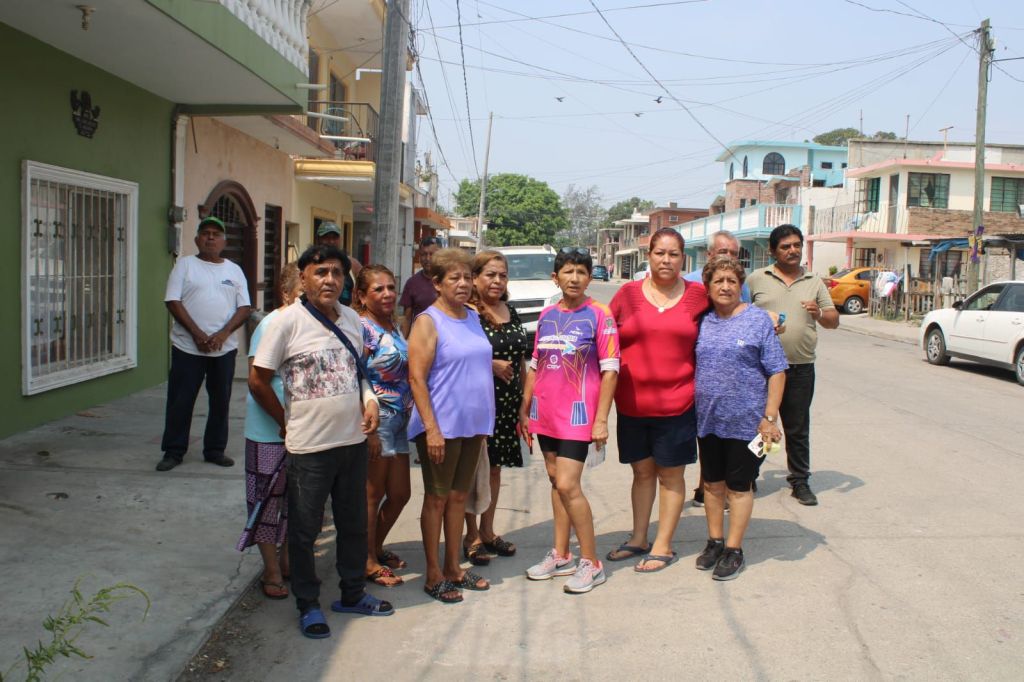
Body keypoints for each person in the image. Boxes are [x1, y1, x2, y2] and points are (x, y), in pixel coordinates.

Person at [249, 245, 392, 640]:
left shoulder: (351, 320)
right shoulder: (285, 323)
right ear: (304, 277)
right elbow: (258, 380)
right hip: (308, 447)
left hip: (351, 442)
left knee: (352, 524)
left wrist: (369, 402)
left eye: (336, 273)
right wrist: (284, 421)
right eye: (320, 272)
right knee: (304, 529)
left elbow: (360, 372)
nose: (329, 279)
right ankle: (308, 604)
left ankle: (352, 593)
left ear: (345, 280)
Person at [608, 228, 709, 572]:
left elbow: (731, 312)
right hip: (632, 404)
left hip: (678, 403)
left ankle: (663, 545)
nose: (666, 260)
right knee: (641, 472)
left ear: (683, 258)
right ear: (648, 255)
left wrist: (767, 317)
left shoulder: (699, 295)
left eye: (673, 254)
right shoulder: (627, 294)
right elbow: (602, 334)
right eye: (660, 253)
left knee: (671, 475)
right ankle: (639, 538)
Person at [521, 248, 619, 594]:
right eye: (567, 272)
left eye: (581, 272)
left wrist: (602, 420)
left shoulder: (600, 315)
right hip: (544, 412)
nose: (574, 278)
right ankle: (561, 553)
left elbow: (610, 372)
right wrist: (525, 407)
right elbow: (534, 363)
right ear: (555, 278)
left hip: (578, 415)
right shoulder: (547, 315)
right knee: (554, 482)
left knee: (568, 485)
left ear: (589, 278)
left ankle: (591, 563)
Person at [407, 248, 495, 604]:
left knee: (460, 497)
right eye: (454, 278)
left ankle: (453, 567)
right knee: (437, 498)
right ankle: (432, 574)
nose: (463, 284)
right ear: (437, 283)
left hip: (473, 424)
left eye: (467, 277)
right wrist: (431, 428)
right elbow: (416, 378)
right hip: (441, 425)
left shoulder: (472, 317)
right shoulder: (428, 321)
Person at [694, 255, 788, 580]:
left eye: (731, 281)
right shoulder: (702, 321)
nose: (725, 287)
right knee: (711, 484)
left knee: (739, 486)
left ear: (741, 287)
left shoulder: (758, 320)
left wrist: (769, 417)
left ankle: (734, 549)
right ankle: (714, 542)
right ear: (707, 287)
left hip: (749, 424)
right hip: (708, 420)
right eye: (718, 281)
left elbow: (777, 371)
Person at [747, 224, 839, 506]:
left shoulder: (814, 281)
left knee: (797, 427)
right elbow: (737, 314)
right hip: (762, 369)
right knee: (761, 423)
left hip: (800, 368)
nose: (793, 250)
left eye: (797, 245)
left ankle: (799, 481)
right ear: (773, 251)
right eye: (786, 246)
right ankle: (748, 477)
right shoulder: (755, 280)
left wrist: (820, 312)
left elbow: (833, 320)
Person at [157, 216, 251, 472]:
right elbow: (173, 301)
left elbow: (244, 307)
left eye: (216, 234)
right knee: (181, 400)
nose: (210, 237)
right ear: (197, 238)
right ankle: (173, 451)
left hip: (224, 349)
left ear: (224, 241)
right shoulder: (185, 266)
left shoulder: (234, 270)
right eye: (206, 232)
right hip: (188, 348)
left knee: (221, 401)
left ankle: (215, 450)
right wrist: (197, 334)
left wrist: (222, 335)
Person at [236, 263, 302, 600]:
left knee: (299, 502)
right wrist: (284, 422)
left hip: (306, 434)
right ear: (286, 293)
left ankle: (288, 561)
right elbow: (257, 382)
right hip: (269, 432)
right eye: (300, 295)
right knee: (267, 502)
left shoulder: (314, 326)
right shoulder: (271, 326)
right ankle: (272, 570)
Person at [462, 251, 531, 566]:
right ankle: (472, 535)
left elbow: (521, 361)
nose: (497, 281)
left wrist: (523, 407)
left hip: (506, 405)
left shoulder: (511, 310)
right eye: (490, 274)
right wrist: (488, 364)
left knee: (494, 469)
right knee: (471, 471)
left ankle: (489, 531)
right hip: (476, 403)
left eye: (502, 275)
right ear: (475, 278)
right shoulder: (466, 312)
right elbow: (454, 354)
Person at [355, 265, 412, 588]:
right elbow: (356, 376)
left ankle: (374, 546)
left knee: (401, 493)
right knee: (372, 494)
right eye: (378, 289)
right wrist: (369, 427)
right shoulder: (363, 329)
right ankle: (366, 560)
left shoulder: (393, 326)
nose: (387, 293)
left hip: (400, 421)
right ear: (362, 296)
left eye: (391, 287)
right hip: (377, 420)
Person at [684, 229, 749, 507]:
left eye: (734, 253)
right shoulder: (689, 283)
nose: (729, 258)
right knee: (705, 435)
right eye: (724, 252)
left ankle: (718, 487)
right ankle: (707, 486)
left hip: (728, 372)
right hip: (693, 365)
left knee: (724, 434)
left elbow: (745, 314)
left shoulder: (740, 285)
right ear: (709, 254)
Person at [400, 236, 441, 338]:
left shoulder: (450, 280)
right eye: (424, 254)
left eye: (432, 254)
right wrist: (402, 346)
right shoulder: (412, 283)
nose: (428, 258)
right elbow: (407, 318)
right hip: (422, 340)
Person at [314, 221, 361, 306]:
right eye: (326, 237)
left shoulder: (353, 264)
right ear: (318, 239)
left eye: (335, 238)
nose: (331, 241)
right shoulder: (310, 263)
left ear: (340, 239)